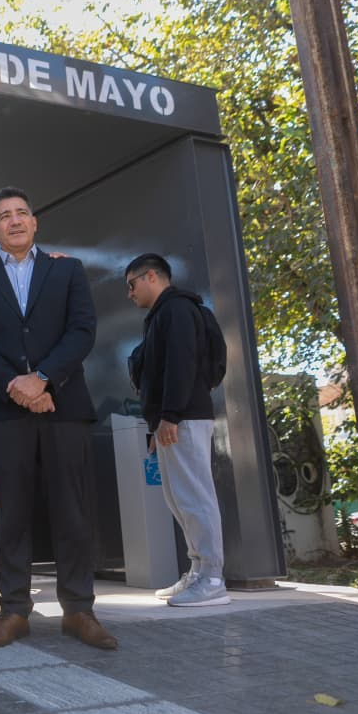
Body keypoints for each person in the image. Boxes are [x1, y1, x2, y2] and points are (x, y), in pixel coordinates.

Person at [0, 186, 117, 650]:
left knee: (72, 509)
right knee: (11, 512)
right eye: (4, 215)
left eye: (22, 213)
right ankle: (13, 610)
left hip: (65, 407)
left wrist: (44, 379)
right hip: (5, 411)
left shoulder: (67, 270)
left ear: (34, 222)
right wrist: (17, 386)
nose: (14, 220)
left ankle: (79, 610)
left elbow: (82, 330)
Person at [124, 253, 229, 607]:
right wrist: (160, 422)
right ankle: (198, 571)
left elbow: (181, 364)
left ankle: (212, 578)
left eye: (132, 284)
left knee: (195, 497)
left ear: (151, 276)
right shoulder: (162, 315)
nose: (130, 293)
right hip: (172, 421)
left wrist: (169, 415)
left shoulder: (177, 310)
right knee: (179, 498)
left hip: (183, 418)